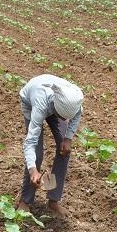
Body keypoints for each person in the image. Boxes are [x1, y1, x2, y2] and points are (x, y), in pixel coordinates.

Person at [17, 74, 84, 217]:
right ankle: (25, 201)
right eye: (62, 116)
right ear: (55, 107)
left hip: (57, 104)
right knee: (37, 153)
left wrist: (68, 138)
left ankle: (53, 200)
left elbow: (77, 114)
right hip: (30, 103)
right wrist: (32, 170)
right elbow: (30, 142)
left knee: (64, 149)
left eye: (67, 117)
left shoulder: (73, 99)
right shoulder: (40, 105)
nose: (64, 120)